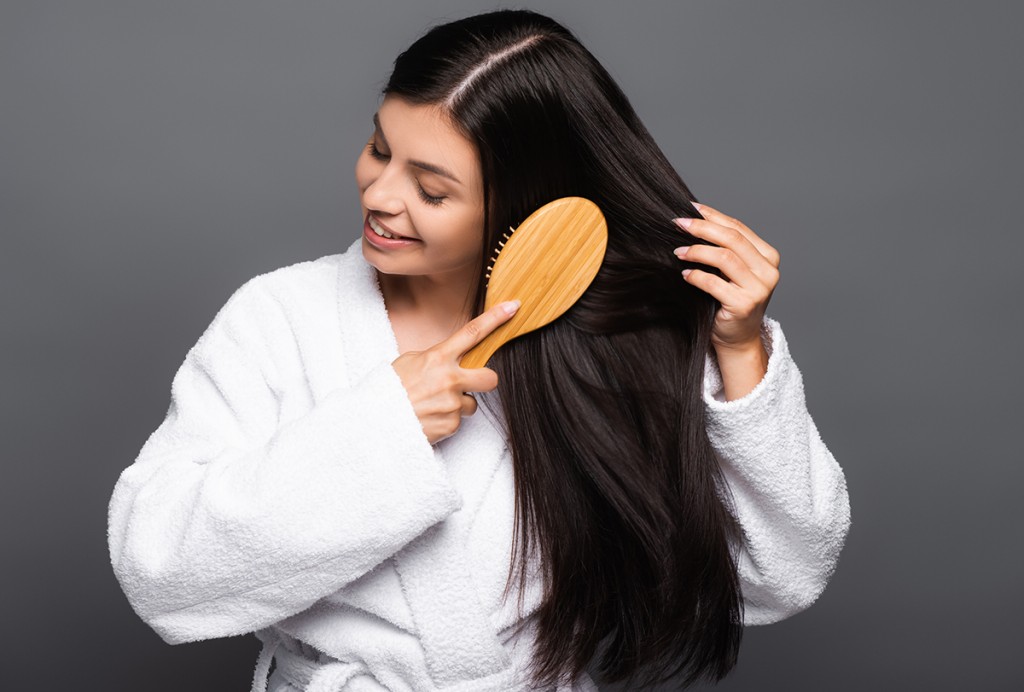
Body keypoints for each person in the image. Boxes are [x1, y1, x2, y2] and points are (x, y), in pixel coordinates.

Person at [107, 9, 851, 692]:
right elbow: (160, 574)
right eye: (378, 148)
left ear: (525, 205)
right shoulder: (280, 319)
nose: (380, 195)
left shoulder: (611, 349)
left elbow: (779, 575)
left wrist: (743, 354)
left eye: (431, 190)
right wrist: (380, 431)